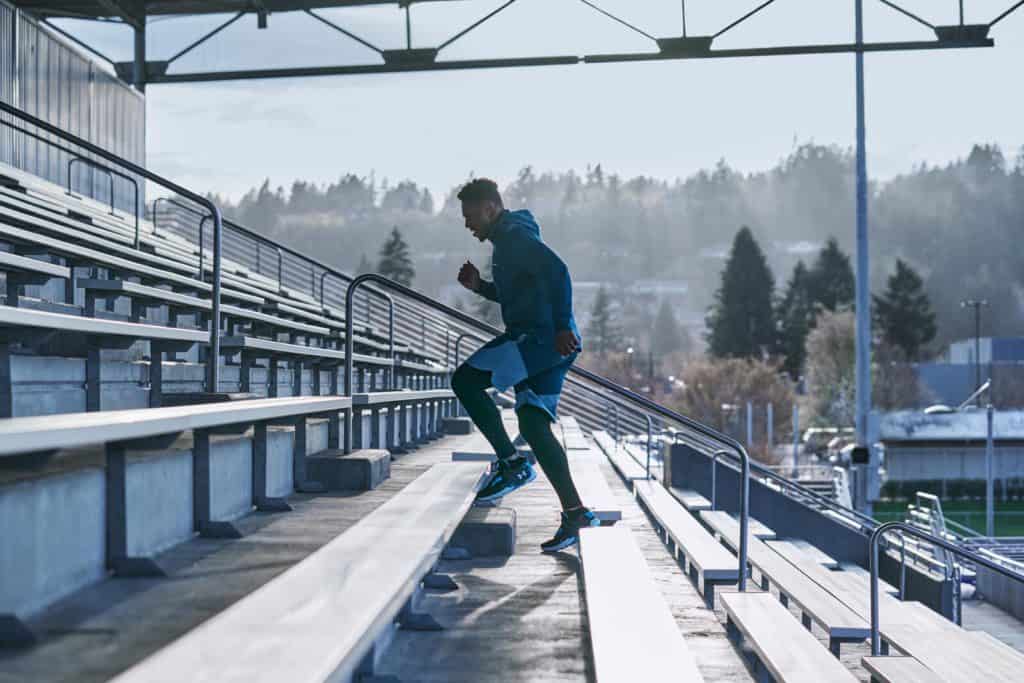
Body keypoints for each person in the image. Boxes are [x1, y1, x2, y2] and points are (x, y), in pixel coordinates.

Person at [451, 178, 598, 553]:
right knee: (533, 424)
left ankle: (512, 463)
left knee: (466, 381)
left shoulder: (515, 238)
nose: (468, 225)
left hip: (540, 340)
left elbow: (558, 272)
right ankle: (576, 512)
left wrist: (563, 324)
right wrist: (481, 286)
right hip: (551, 345)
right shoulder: (508, 241)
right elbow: (517, 291)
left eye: (471, 217)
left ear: (490, 208)